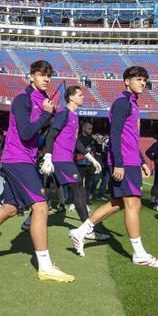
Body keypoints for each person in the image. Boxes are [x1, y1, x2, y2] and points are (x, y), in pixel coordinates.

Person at [0, 60, 74, 283]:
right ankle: (44, 267)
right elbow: (25, 133)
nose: (46, 79)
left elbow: (36, 135)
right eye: (41, 74)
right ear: (31, 76)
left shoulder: (42, 101)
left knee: (10, 208)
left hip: (25, 159)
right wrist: (45, 116)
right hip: (17, 160)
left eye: (48, 75)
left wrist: (51, 119)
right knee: (41, 207)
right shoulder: (23, 99)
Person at [68, 67, 158, 267]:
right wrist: (120, 164)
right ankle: (139, 254)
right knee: (133, 204)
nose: (142, 83)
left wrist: (140, 160)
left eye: (144, 80)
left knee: (118, 203)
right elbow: (114, 134)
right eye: (138, 79)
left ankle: (80, 232)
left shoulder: (132, 103)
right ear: (126, 81)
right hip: (123, 162)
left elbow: (130, 137)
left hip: (131, 160)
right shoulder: (122, 102)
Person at [40, 86, 102, 230]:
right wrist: (48, 157)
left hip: (65, 158)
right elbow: (51, 135)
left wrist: (90, 158)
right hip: (62, 159)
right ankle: (88, 229)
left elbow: (75, 142)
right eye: (80, 95)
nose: (83, 97)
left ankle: (29, 221)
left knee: (50, 191)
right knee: (79, 188)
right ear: (71, 97)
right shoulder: (63, 113)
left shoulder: (74, 116)